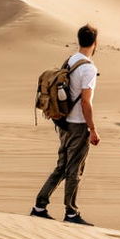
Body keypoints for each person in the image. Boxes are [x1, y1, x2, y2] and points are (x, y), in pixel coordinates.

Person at [31, 24, 101, 225]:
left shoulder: (70, 60)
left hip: (62, 124)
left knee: (61, 167)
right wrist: (93, 129)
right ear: (95, 43)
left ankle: (39, 205)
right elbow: (86, 102)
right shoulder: (88, 68)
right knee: (74, 170)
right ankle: (71, 213)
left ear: (79, 40)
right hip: (78, 126)